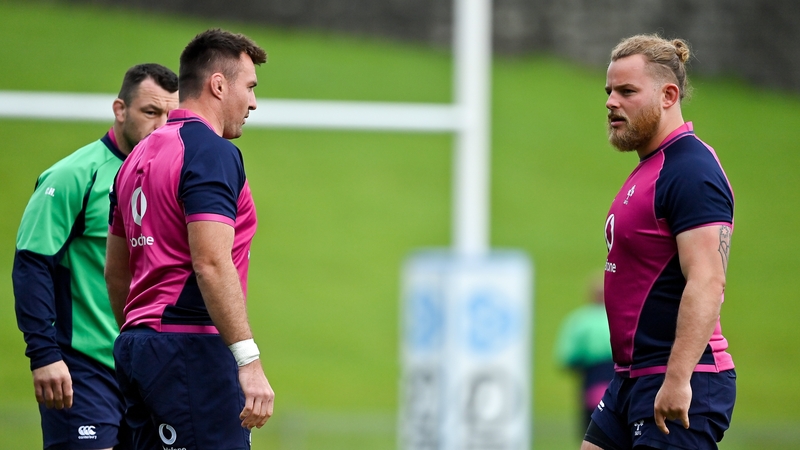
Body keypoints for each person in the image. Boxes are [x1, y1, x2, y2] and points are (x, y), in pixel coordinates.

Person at [104, 28, 274, 449]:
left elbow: (115, 271)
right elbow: (211, 263)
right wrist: (248, 360)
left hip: (136, 347)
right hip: (191, 349)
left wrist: (143, 338)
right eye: (249, 87)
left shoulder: (135, 158)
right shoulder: (210, 152)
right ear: (219, 85)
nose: (253, 102)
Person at [12, 63, 178, 450]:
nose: (162, 125)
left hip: (149, 370)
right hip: (83, 368)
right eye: (150, 112)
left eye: (171, 115)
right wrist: (43, 355)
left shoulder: (171, 180)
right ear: (120, 109)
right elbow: (32, 264)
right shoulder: (73, 176)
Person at [583, 34, 736, 450]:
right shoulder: (649, 167)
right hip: (630, 377)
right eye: (609, 91)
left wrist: (678, 377)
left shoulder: (690, 170)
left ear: (669, 95)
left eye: (627, 91)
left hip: (681, 378)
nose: (612, 101)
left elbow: (708, 280)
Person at [555, 274, 614, 437]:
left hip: (591, 382)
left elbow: (567, 358)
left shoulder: (579, 321)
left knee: (592, 432)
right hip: (620, 381)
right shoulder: (620, 316)